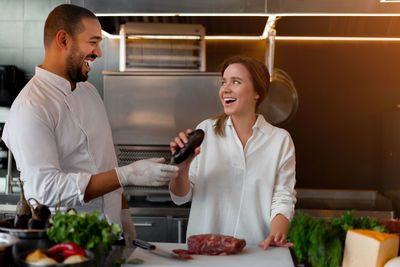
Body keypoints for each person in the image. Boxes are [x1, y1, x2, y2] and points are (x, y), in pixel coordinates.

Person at [1, 4, 178, 246]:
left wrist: (124, 213)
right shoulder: (31, 107)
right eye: (93, 42)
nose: (99, 53)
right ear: (63, 40)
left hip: (109, 235)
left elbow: (106, 162)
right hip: (66, 243)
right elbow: (46, 188)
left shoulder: (89, 91)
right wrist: (127, 174)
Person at [169, 56, 296, 249]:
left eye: (235, 82)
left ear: (257, 93)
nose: (225, 89)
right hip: (205, 254)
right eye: (223, 82)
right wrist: (181, 168)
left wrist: (276, 236)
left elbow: (283, 199)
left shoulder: (280, 140)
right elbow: (180, 198)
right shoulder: (206, 132)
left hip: (255, 251)